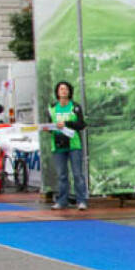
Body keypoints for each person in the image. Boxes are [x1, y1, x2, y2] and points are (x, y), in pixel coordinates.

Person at [49, 80, 88, 210]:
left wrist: (66, 123)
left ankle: (81, 200)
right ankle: (62, 200)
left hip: (73, 144)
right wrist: (51, 127)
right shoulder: (53, 108)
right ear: (57, 92)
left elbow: (81, 125)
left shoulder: (75, 107)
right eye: (61, 89)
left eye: (66, 89)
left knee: (77, 173)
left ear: (70, 91)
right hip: (58, 144)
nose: (63, 91)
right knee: (62, 174)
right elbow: (49, 125)